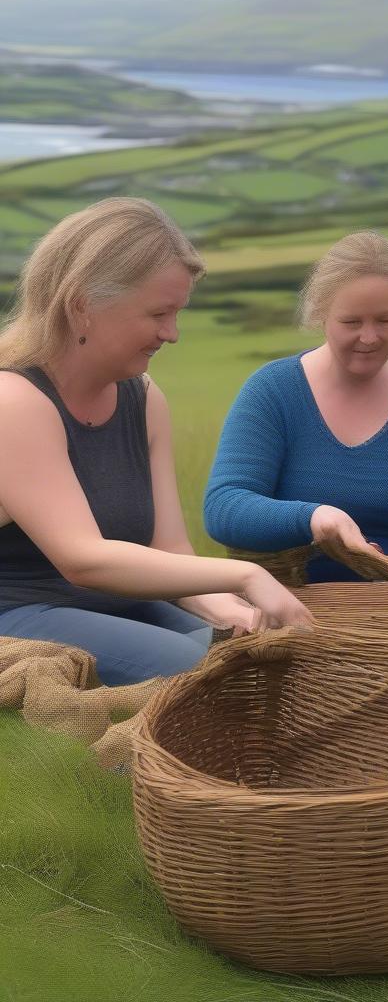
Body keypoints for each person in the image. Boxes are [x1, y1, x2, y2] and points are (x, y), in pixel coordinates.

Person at [0, 198, 313, 687]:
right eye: (158, 313)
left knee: (251, 650)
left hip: (123, 605)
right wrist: (245, 577)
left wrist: (232, 612)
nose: (172, 334)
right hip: (19, 613)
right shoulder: (14, 401)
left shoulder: (143, 398)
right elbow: (81, 558)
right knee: (211, 674)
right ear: (82, 304)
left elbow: (169, 549)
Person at [203, 231, 388, 582]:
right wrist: (316, 519)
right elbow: (224, 506)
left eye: (386, 321)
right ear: (321, 314)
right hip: (291, 603)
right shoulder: (272, 391)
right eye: (351, 322)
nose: (369, 337)